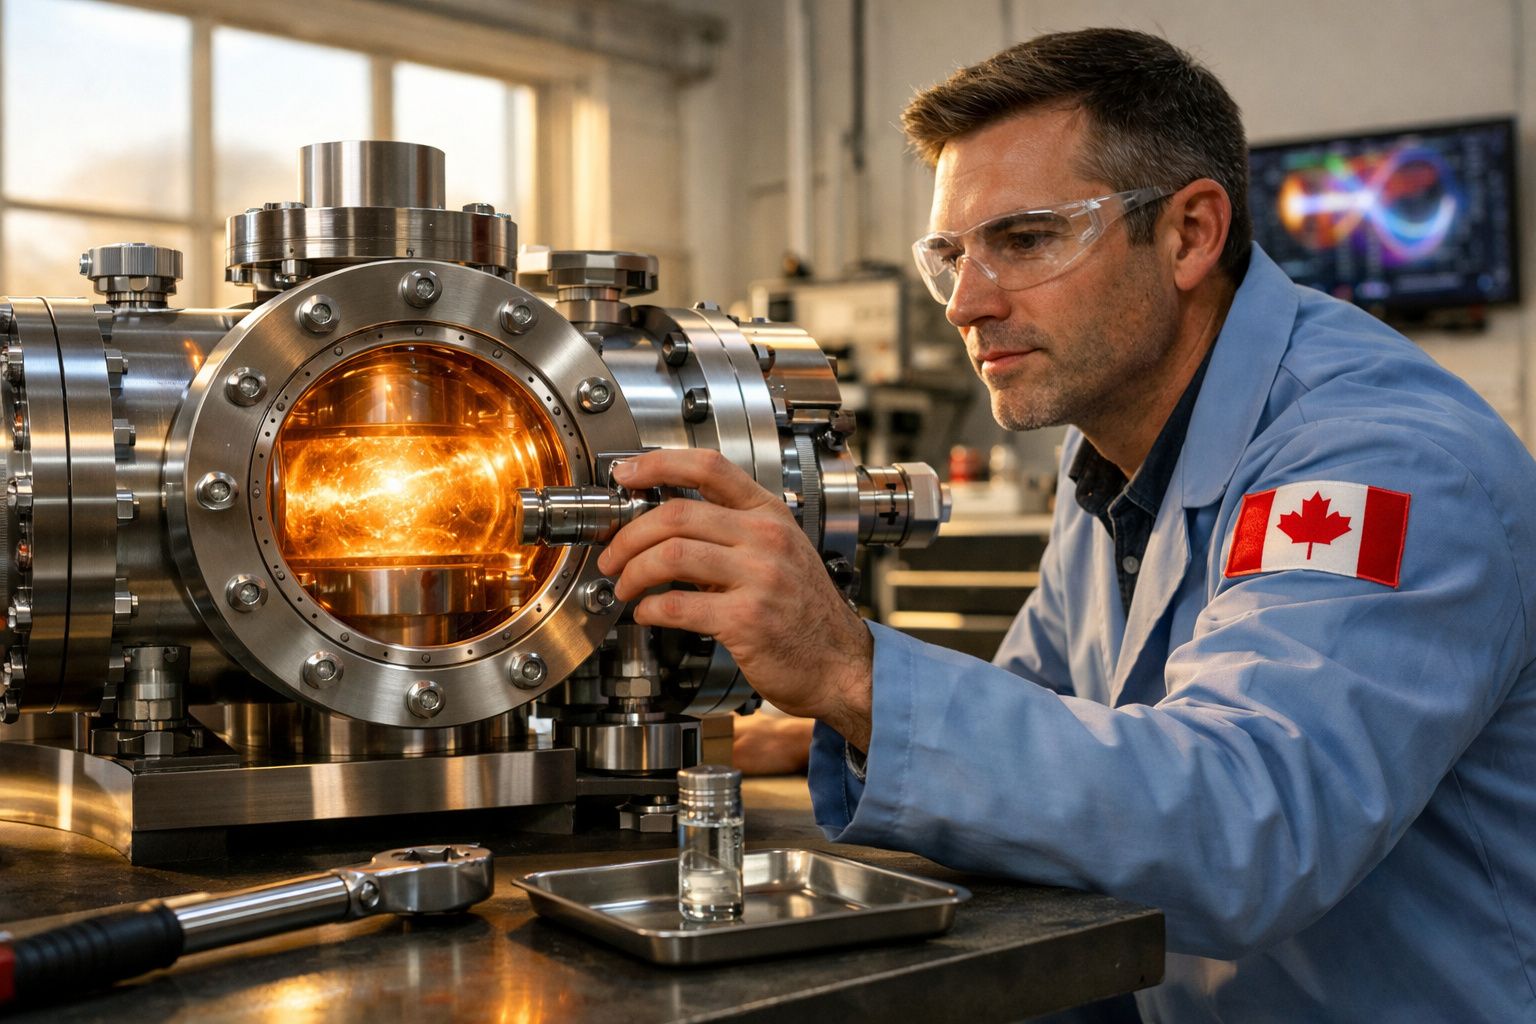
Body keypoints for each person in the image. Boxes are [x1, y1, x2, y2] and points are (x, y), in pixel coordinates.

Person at [597, 27, 1536, 1021]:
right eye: (949, 255)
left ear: (1189, 233)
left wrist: (853, 671)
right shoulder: (1118, 452)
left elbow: (1252, 828)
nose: (966, 303)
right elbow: (1051, 721)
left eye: (1026, 239)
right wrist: (837, 723)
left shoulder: (1378, 461)